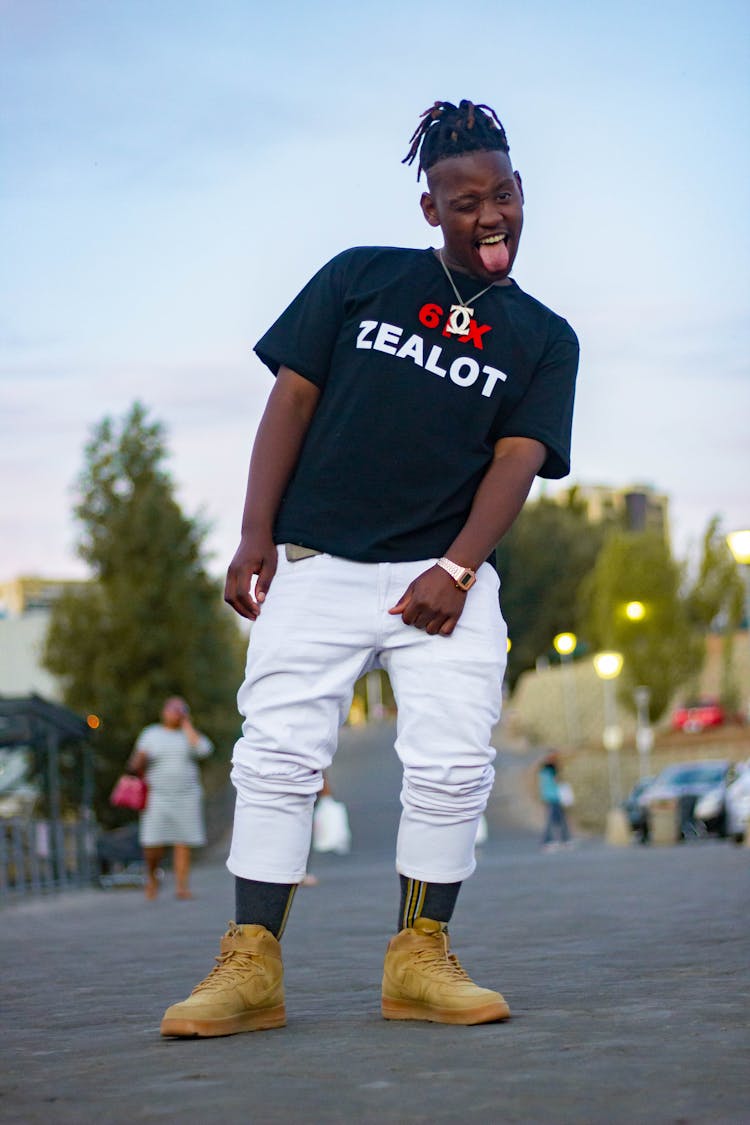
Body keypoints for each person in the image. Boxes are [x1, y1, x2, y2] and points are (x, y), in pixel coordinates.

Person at [160, 98, 578, 1037]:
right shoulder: (360, 278)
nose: (490, 216)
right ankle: (250, 968)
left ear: (522, 193)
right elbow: (293, 400)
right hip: (319, 558)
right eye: (466, 201)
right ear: (431, 210)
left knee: (453, 763)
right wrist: (253, 531)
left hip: (442, 576)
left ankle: (420, 959)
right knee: (273, 757)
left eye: (503, 195)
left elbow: (518, 458)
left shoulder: (545, 338)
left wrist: (460, 570)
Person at [129, 696, 213, 900]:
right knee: (152, 843)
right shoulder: (151, 734)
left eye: (180, 710)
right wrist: (140, 760)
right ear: (164, 712)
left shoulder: (189, 735)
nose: (175, 714)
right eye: (172, 710)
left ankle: (182, 886)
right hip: (158, 796)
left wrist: (187, 725)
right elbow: (135, 762)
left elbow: (204, 750)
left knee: (183, 841)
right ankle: (152, 876)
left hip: (186, 796)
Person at [537, 753, 571, 850]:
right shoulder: (552, 771)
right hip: (554, 798)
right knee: (553, 821)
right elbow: (557, 783)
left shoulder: (543, 771)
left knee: (557, 820)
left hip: (548, 798)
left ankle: (563, 839)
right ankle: (550, 841)